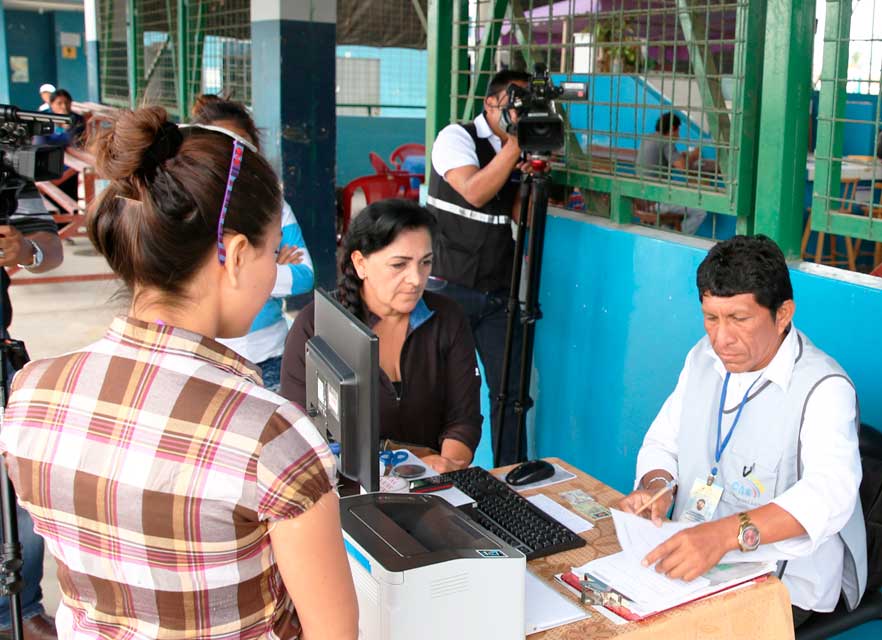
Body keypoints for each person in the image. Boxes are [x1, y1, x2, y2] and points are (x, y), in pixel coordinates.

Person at [0, 106, 358, 639]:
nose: (272, 272)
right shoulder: (271, 436)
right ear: (236, 255)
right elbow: (334, 633)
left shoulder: (31, 394)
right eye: (268, 255)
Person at [618, 235, 866, 628]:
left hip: (783, 582)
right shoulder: (702, 358)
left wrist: (723, 536)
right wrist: (657, 488)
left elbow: (829, 493)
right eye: (711, 318)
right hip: (700, 560)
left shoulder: (824, 386)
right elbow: (663, 442)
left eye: (739, 319)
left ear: (783, 314)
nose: (721, 338)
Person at [280, 199, 482, 473]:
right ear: (360, 263)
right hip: (343, 488)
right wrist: (404, 458)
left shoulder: (447, 318)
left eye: (426, 262)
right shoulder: (315, 326)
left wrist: (448, 464)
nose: (416, 279)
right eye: (399, 265)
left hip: (431, 485)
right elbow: (299, 434)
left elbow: (463, 418)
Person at [426, 69, 532, 466]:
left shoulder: (516, 151)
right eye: (515, 104)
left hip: (498, 292)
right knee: (444, 388)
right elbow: (474, 191)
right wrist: (515, 147)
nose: (522, 114)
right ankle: (434, 474)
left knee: (510, 393)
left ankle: (508, 475)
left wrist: (534, 174)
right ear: (491, 102)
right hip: (447, 288)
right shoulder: (455, 137)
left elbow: (525, 219)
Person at [190, 95, 314, 391]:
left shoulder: (274, 205)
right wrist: (271, 263)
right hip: (208, 359)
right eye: (223, 144)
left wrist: (234, 275)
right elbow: (191, 285)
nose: (236, 154)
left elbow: (305, 277)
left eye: (244, 144)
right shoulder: (191, 209)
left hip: (270, 356)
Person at [0, 179, 64, 640]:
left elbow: (50, 248)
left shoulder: (6, 161)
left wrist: (25, 249)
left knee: (16, 487)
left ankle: (19, 608)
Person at [635, 112, 706, 234]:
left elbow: (666, 158)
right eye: (678, 130)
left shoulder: (648, 138)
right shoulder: (666, 141)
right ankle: (680, 236)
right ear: (673, 129)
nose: (678, 135)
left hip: (642, 200)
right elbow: (683, 167)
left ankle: (668, 234)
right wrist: (694, 155)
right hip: (656, 201)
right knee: (701, 211)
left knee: (667, 223)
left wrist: (681, 156)